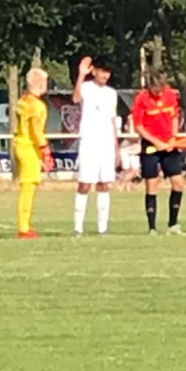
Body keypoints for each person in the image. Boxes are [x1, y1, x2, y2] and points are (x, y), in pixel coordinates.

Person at [132, 70, 185, 235]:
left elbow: (174, 117)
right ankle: (152, 227)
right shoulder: (142, 99)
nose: (160, 92)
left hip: (169, 144)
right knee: (152, 183)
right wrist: (157, 142)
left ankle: (173, 224)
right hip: (151, 146)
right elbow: (139, 126)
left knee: (178, 182)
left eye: (162, 88)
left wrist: (173, 138)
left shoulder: (170, 95)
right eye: (157, 89)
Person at [73, 55, 119, 236]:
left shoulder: (111, 93)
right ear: (94, 71)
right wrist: (81, 75)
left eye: (108, 72)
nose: (105, 75)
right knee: (85, 184)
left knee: (104, 184)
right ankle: (78, 227)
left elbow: (112, 119)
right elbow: (76, 98)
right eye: (102, 71)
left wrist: (116, 146)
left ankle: (103, 227)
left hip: (106, 142)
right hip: (89, 140)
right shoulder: (86, 87)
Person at [12, 67, 54, 239]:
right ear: (39, 83)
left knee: (28, 186)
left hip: (20, 143)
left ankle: (26, 224)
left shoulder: (23, 101)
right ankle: (23, 227)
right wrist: (45, 149)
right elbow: (36, 129)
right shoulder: (37, 105)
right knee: (28, 186)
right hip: (28, 146)